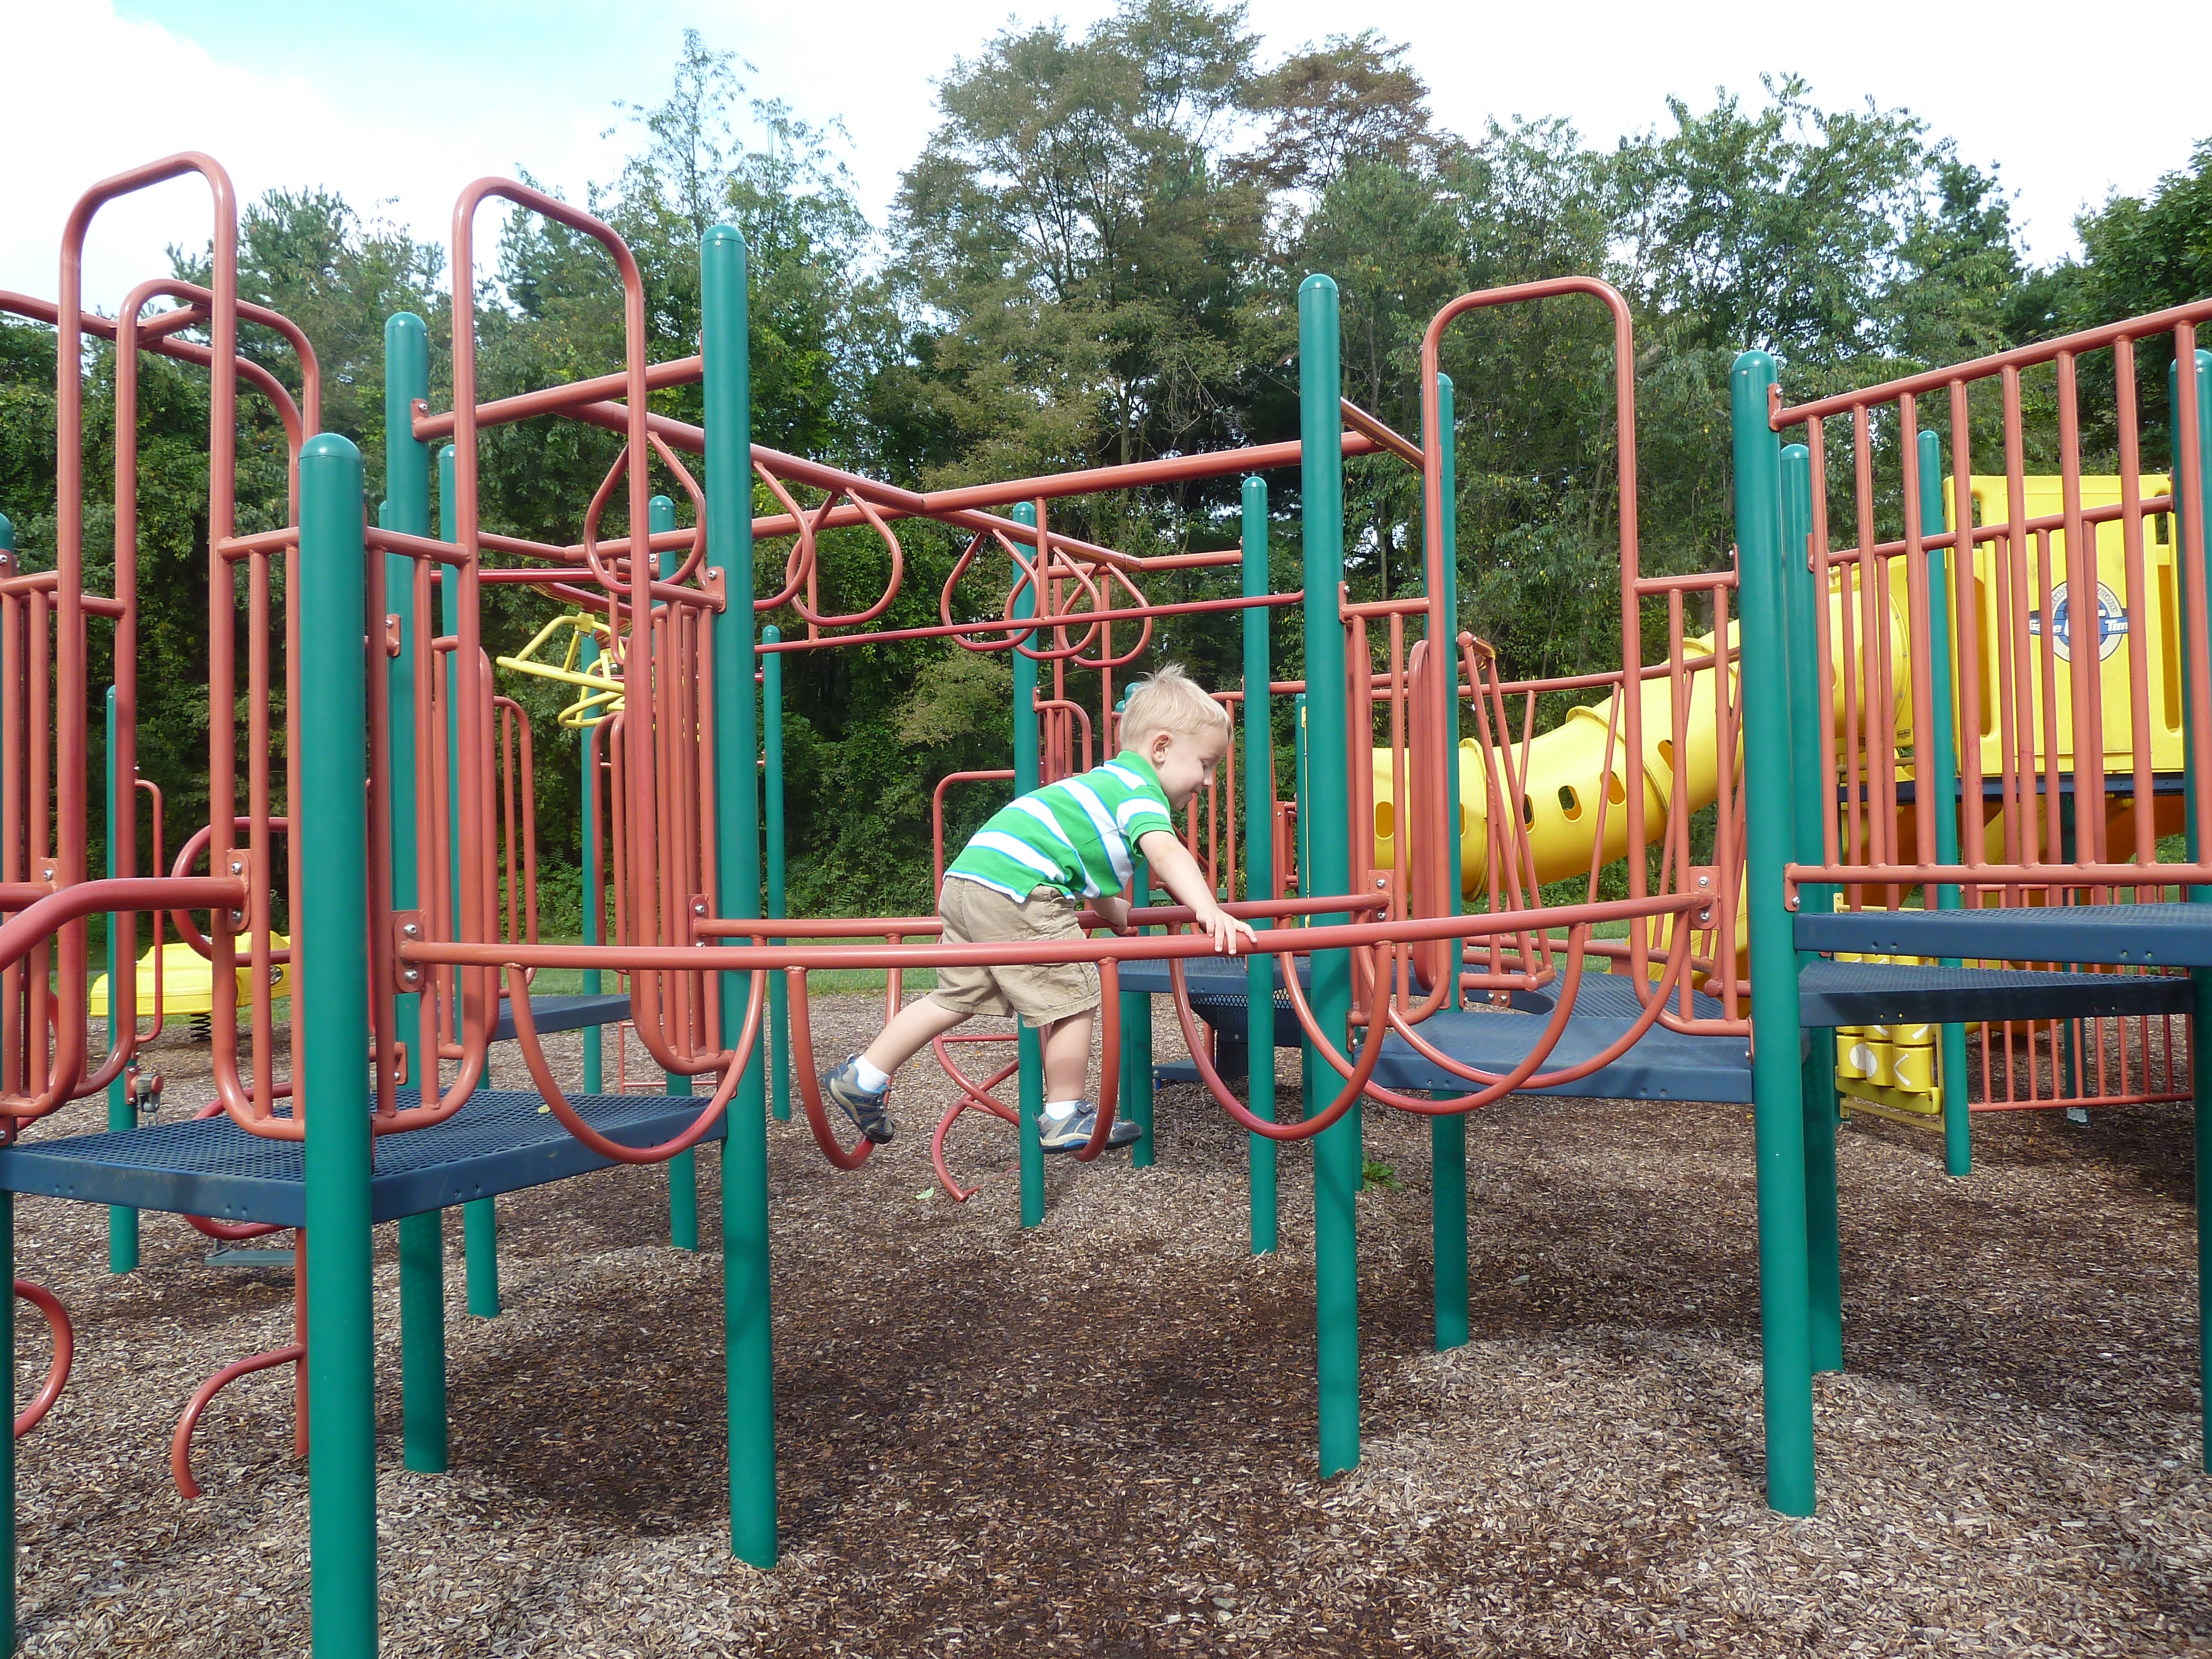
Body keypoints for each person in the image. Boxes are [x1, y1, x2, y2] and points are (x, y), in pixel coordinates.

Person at [821, 664, 1259, 1152]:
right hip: (1018, 889)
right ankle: (1064, 1114)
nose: (1209, 780)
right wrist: (1208, 909)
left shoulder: (1102, 785)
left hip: (970, 882)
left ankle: (864, 1075)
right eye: (1205, 764)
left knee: (954, 998)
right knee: (1076, 993)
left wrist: (1108, 907)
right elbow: (1166, 852)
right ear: (1161, 748)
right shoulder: (1140, 792)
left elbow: (1075, 854)